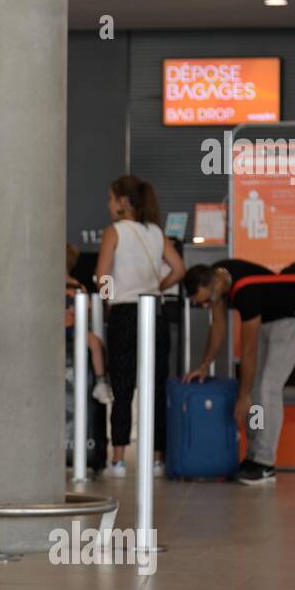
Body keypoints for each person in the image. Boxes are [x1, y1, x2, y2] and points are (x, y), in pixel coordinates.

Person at [183, 259, 295, 486]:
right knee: (255, 390)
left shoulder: (245, 291)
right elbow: (218, 326)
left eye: (207, 300)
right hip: (267, 320)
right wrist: (204, 365)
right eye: (201, 304)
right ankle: (253, 457)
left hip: (290, 320)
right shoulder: (218, 279)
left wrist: (244, 397)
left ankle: (265, 464)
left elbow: (248, 351)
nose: (207, 306)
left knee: (266, 389)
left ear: (216, 285)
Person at [93, 175, 185, 478]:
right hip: (154, 314)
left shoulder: (114, 232)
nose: (108, 204)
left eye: (110, 198)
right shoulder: (157, 232)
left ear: (123, 201)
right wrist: (158, 285)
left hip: (124, 314)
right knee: (156, 387)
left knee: (122, 386)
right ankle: (158, 458)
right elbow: (179, 269)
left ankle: (118, 458)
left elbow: (102, 276)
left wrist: (108, 302)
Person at [66, 243, 113, 405]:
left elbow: (87, 309)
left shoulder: (77, 286)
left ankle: (101, 381)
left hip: (73, 329)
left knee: (94, 341)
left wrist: (76, 310)